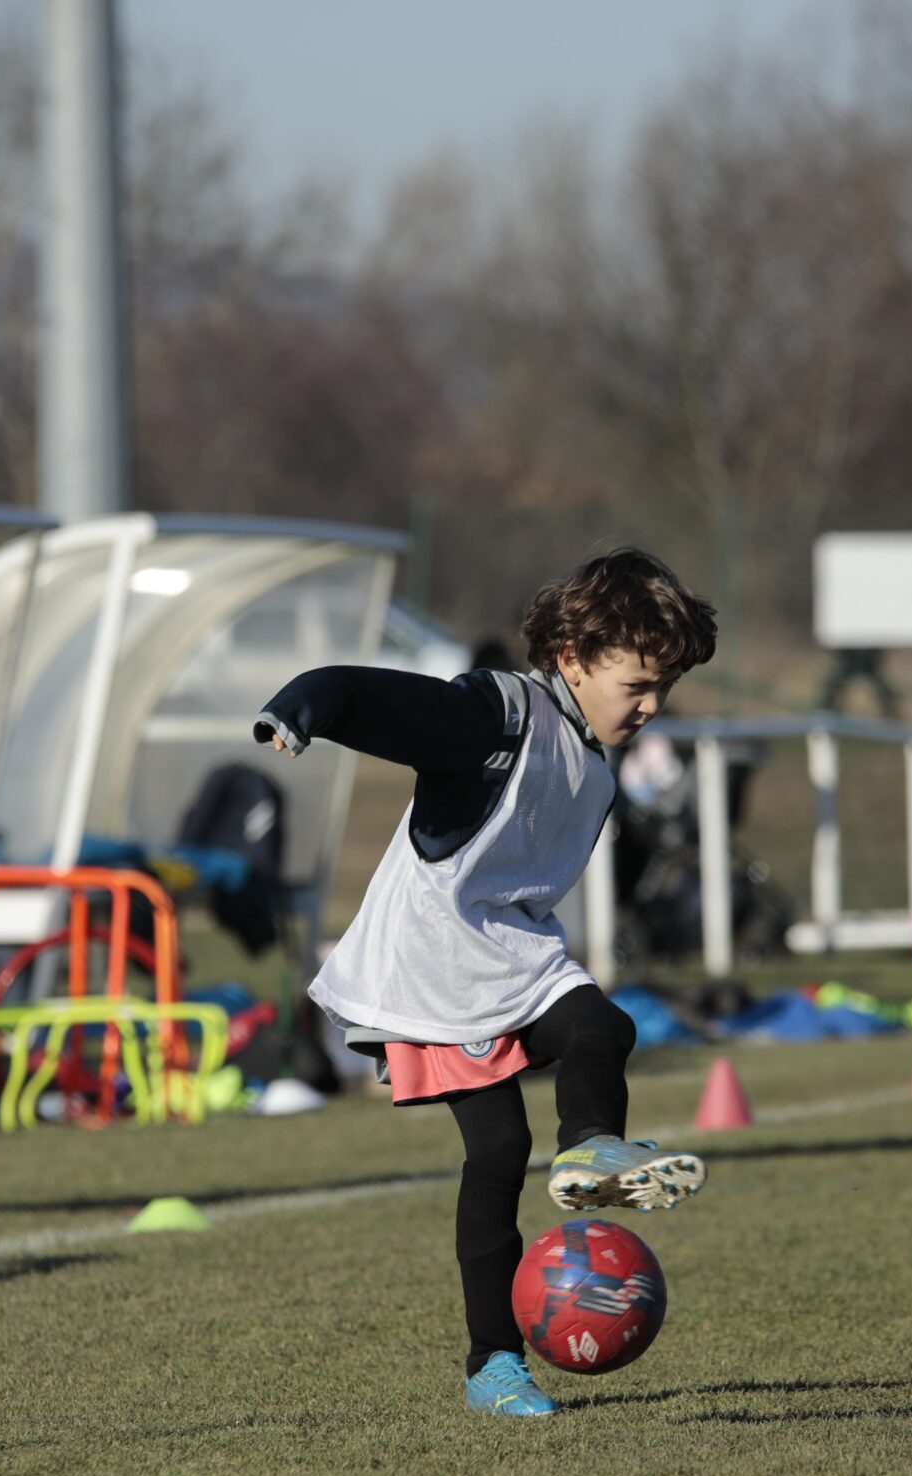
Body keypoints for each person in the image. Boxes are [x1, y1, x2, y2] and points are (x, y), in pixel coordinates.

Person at [254, 547, 718, 1417]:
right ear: (574, 659)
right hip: (435, 963)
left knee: (603, 1027)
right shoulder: (499, 715)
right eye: (639, 685)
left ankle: (589, 1151)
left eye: (665, 688)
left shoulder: (598, 764)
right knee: (498, 1154)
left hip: (514, 953)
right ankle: (493, 1363)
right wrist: (307, 703)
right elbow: (391, 702)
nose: (653, 707)